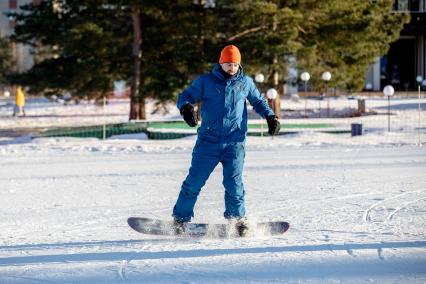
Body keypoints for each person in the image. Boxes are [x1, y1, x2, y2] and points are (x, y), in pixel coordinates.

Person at [172, 45, 280, 236]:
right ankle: (180, 219)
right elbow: (186, 96)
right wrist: (186, 108)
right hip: (208, 142)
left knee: (234, 183)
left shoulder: (245, 82)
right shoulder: (206, 82)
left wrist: (271, 117)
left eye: (236, 64)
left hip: (234, 143)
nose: (232, 68)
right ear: (221, 63)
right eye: (229, 64)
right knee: (194, 181)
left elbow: (259, 101)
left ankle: (237, 219)